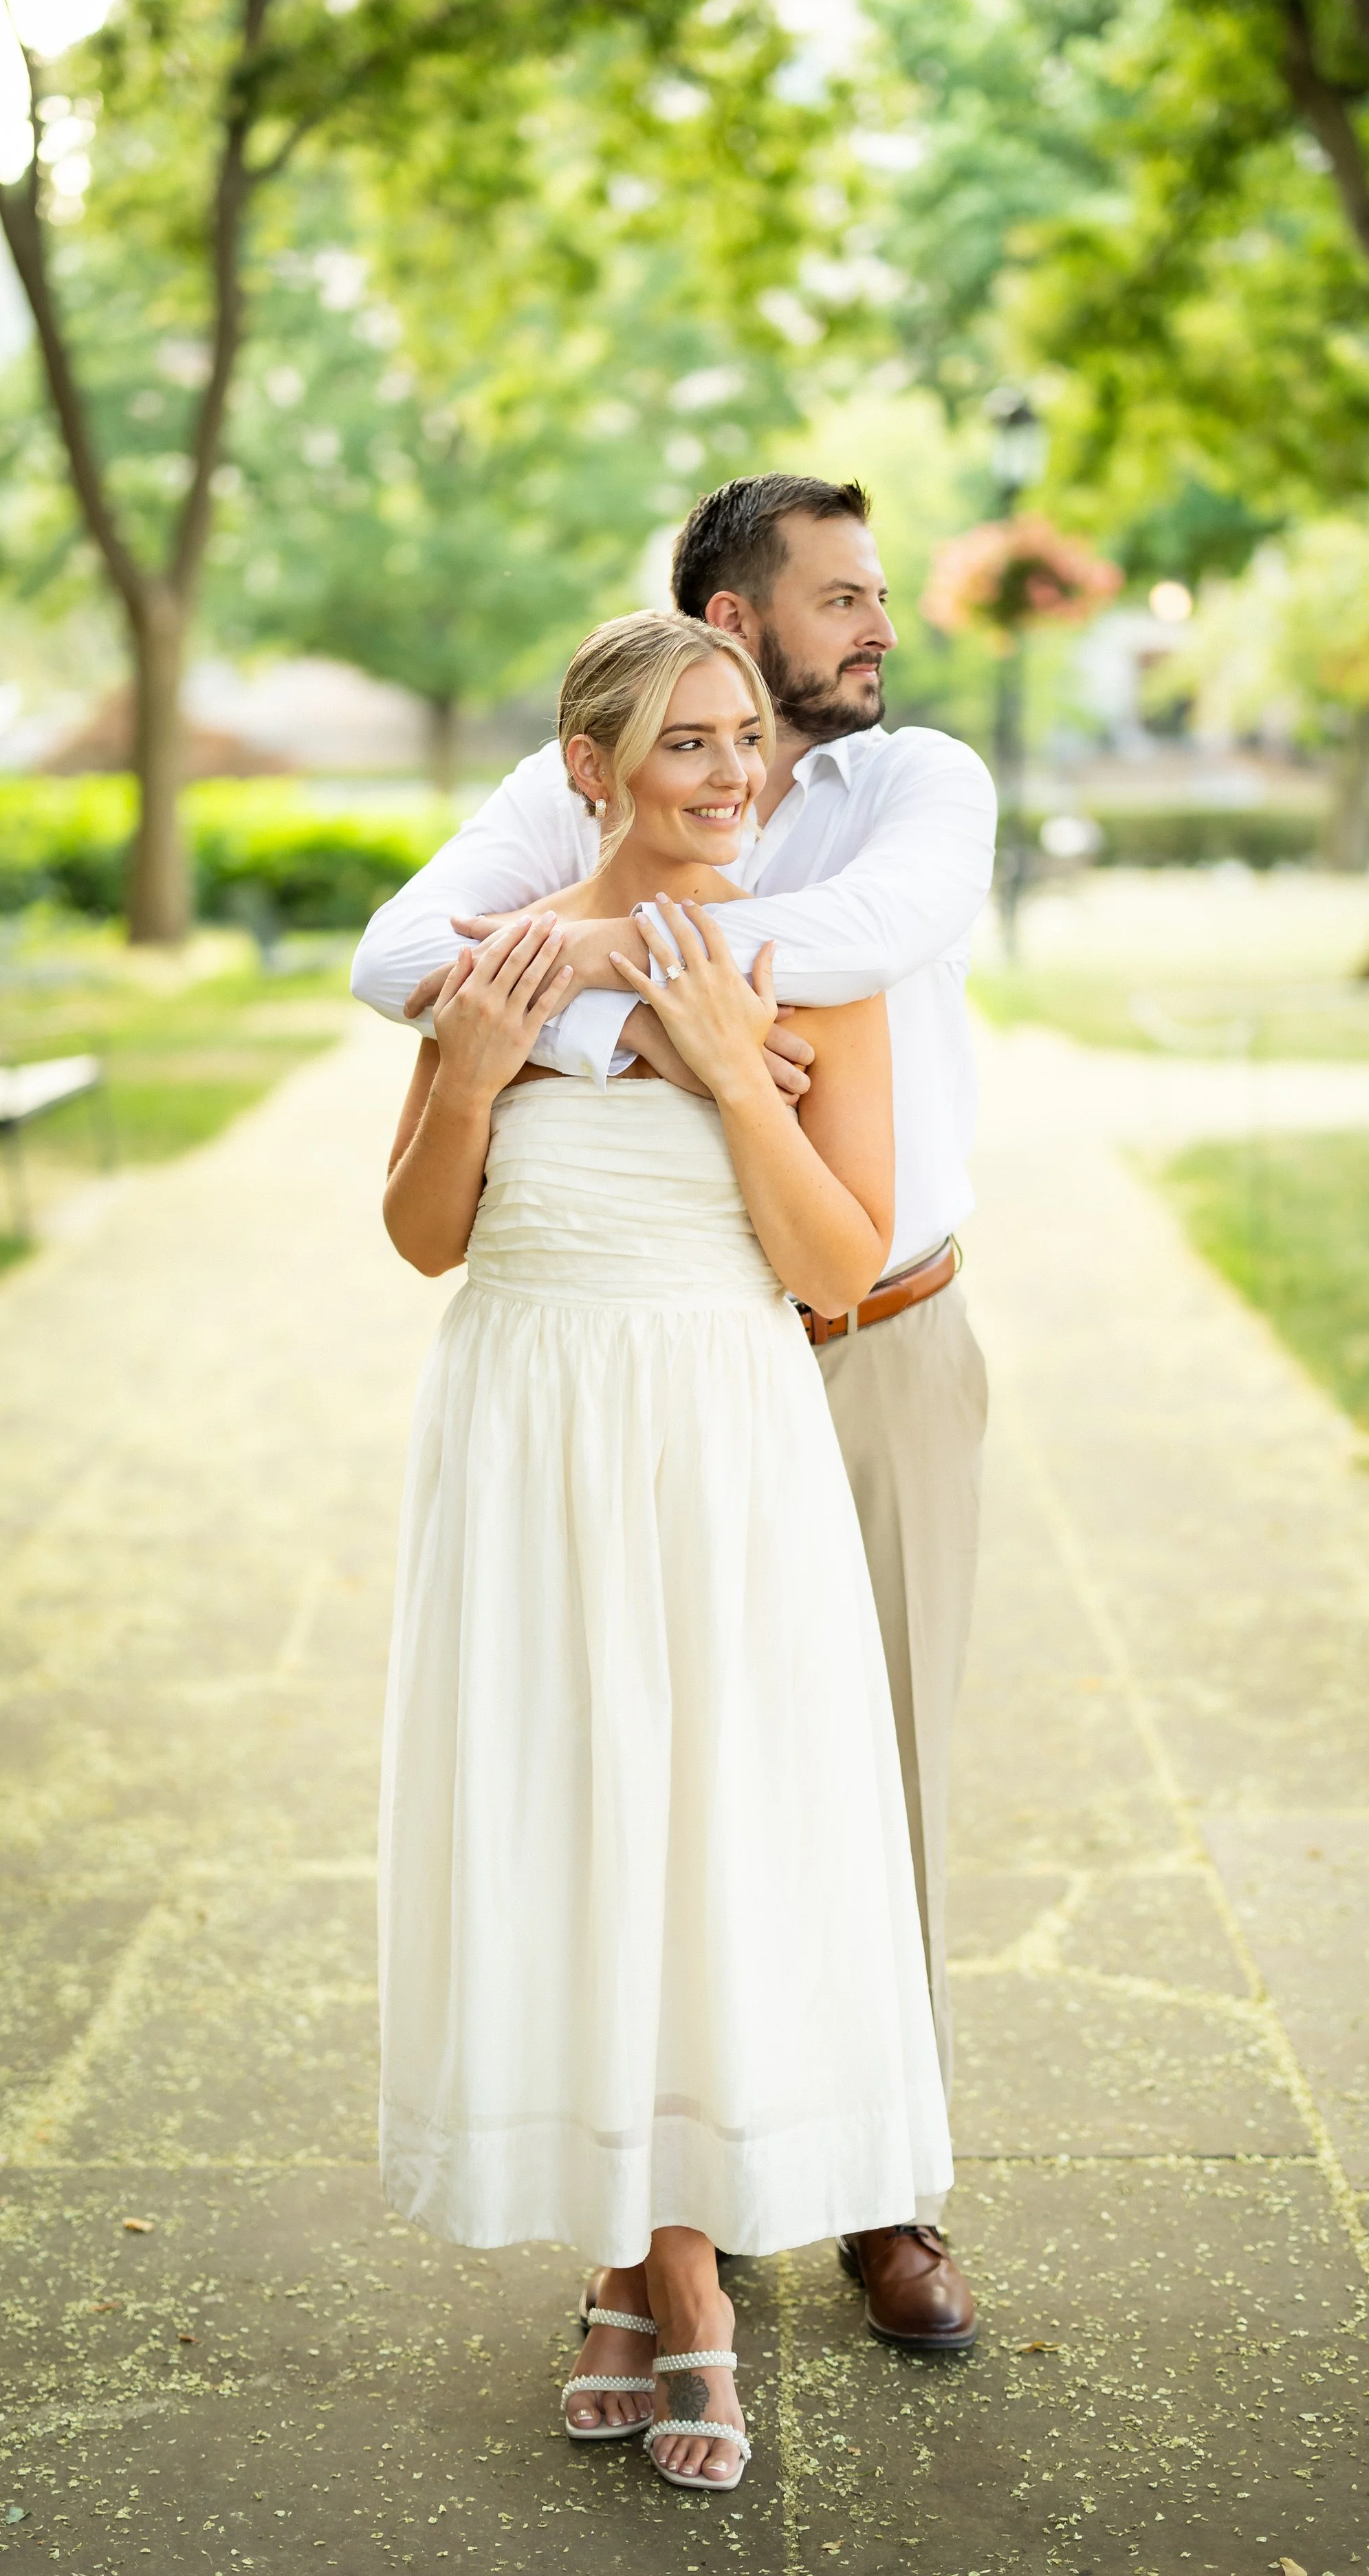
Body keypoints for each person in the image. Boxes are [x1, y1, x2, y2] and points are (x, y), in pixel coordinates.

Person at [353, 474, 994, 2353]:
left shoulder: (914, 788)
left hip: (866, 1333)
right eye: (838, 599)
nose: (876, 626)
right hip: (560, 1392)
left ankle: (878, 2191)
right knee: (594, 1788)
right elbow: (405, 962)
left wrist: (698, 1017)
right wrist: (590, 1020)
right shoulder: (566, 803)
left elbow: (846, 950)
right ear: (725, 616)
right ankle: (644, 2219)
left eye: (882, 594)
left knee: (852, 1789)